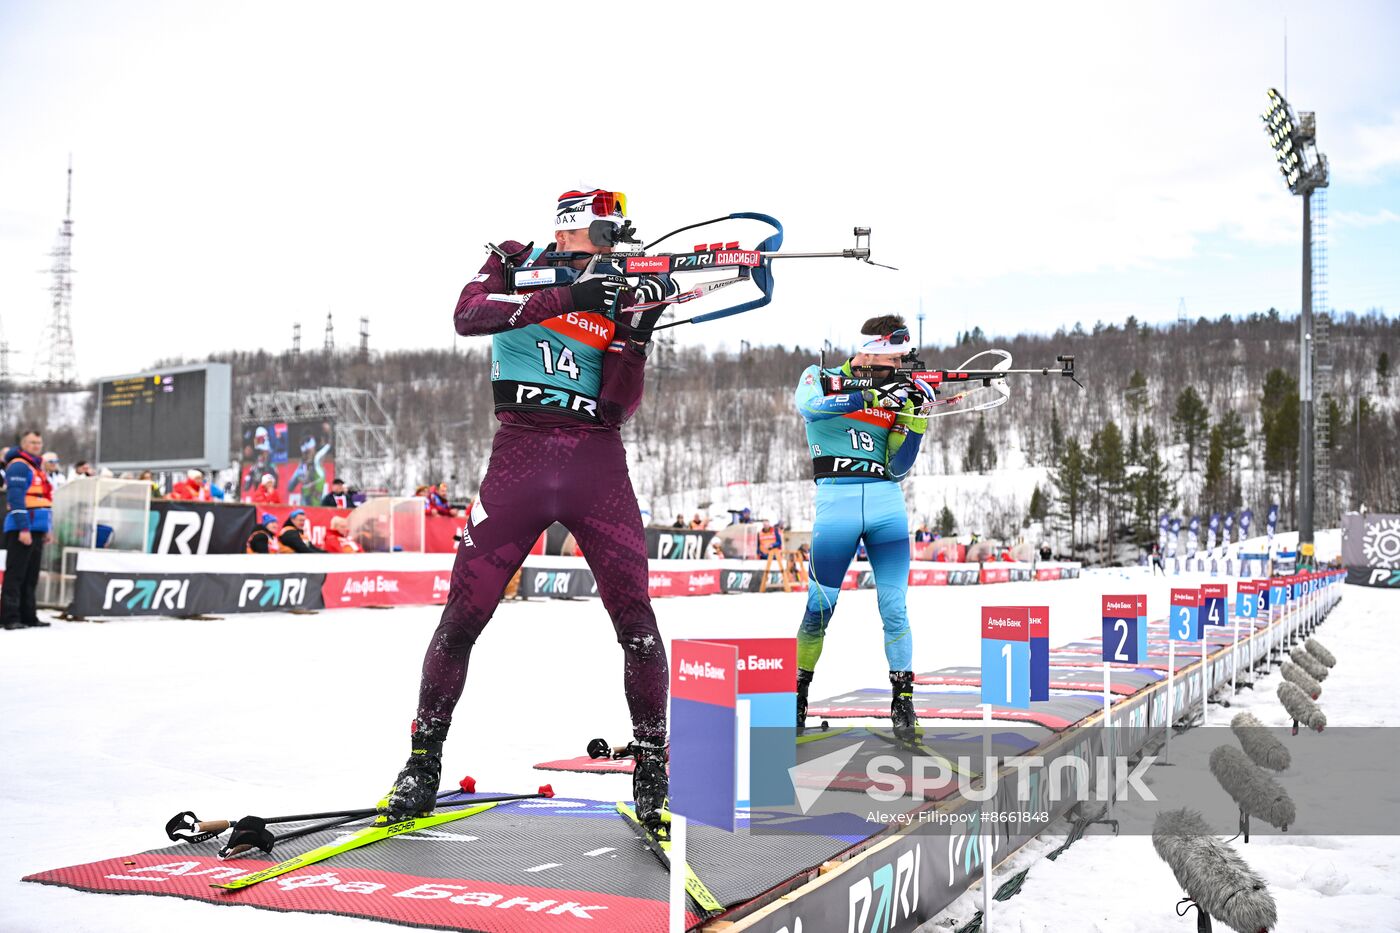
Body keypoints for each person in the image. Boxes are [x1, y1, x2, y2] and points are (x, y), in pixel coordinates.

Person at [378, 187, 675, 831]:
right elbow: (468, 315)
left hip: (596, 460)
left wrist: (634, 338)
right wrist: (571, 296)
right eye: (605, 235)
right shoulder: (514, 264)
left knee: (637, 621)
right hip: (519, 456)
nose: (613, 248)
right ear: (572, 231)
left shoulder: (619, 286)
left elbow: (616, 405)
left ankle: (654, 770)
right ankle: (421, 762)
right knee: (463, 615)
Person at [792, 315, 934, 740]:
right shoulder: (819, 376)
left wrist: (916, 418)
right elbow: (811, 406)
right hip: (836, 503)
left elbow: (897, 467)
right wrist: (872, 393)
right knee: (819, 608)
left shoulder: (899, 390)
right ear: (871, 351)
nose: (900, 365)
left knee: (894, 605)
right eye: (894, 357)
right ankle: (796, 697)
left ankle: (903, 701)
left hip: (886, 505)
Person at [3, 431, 54, 630]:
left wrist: (48, 528)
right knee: (16, 574)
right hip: (22, 527)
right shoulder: (18, 465)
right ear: (23, 444)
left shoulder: (37, 467)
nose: (36, 446)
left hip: (38, 527)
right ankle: (10, 617)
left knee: (31, 575)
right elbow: (15, 498)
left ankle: (28, 615)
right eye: (32, 442)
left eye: (39, 443)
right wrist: (23, 527)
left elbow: (45, 500)